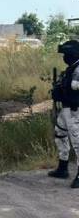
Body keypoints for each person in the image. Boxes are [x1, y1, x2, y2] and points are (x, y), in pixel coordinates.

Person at [48, 40, 79, 187]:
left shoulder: (78, 70)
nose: (64, 57)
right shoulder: (71, 69)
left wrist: (62, 94)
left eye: (66, 54)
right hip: (66, 110)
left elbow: (75, 91)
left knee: (77, 142)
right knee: (60, 134)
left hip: (75, 111)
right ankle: (63, 167)